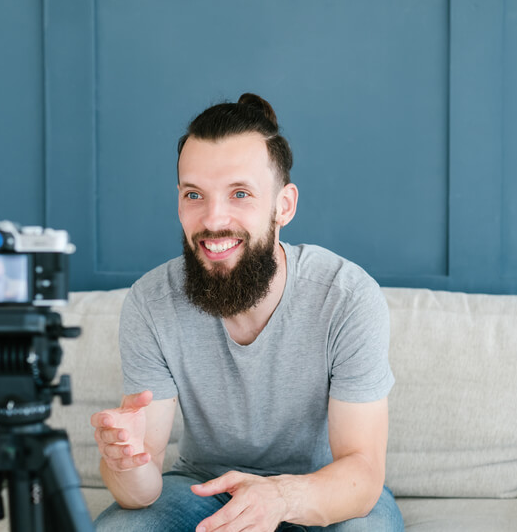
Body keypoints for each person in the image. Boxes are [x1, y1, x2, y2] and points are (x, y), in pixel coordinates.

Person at [91, 93, 404, 531]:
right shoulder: (151, 302)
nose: (213, 218)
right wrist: (123, 462)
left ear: (284, 206)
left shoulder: (347, 297)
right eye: (194, 194)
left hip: (322, 490)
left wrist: (278, 498)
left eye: (240, 193)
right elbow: (140, 491)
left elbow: (363, 473)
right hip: (201, 487)